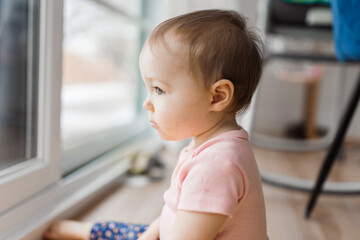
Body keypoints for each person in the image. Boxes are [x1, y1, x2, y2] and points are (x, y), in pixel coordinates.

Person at [44, 9, 267, 240]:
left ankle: (87, 232)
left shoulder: (216, 166)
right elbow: (176, 211)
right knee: (136, 231)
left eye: (159, 89)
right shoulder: (212, 146)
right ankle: (86, 231)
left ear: (217, 97)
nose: (146, 104)